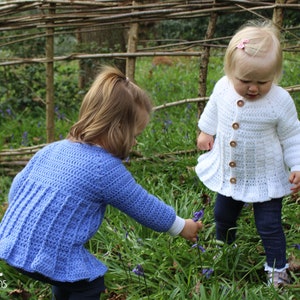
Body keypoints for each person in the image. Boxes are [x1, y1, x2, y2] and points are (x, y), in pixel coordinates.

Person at [0, 66, 202, 300]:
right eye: (135, 135)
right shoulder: (104, 168)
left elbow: (17, 185)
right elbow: (144, 206)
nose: (135, 143)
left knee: (67, 276)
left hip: (11, 238)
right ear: (118, 130)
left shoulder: (53, 148)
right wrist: (181, 226)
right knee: (90, 285)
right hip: (49, 250)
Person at [195, 20, 300, 287]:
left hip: (265, 178)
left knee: (269, 225)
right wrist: (206, 132)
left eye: (262, 82)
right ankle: (224, 248)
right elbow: (214, 110)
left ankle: (277, 270)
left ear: (274, 75)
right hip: (231, 174)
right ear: (231, 71)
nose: (253, 88)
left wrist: (297, 165)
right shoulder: (222, 87)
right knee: (223, 215)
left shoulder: (279, 102)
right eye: (245, 81)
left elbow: (292, 136)